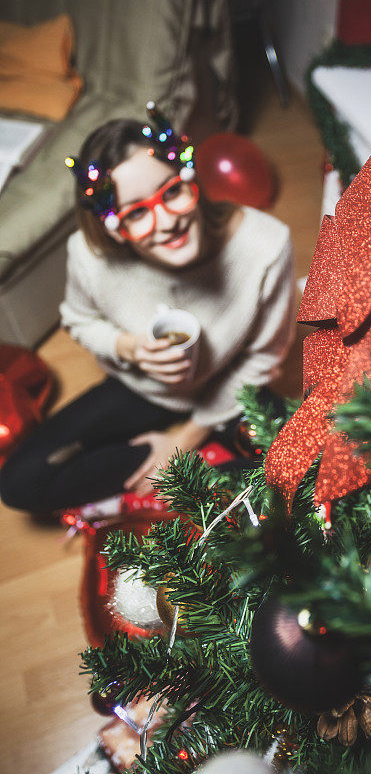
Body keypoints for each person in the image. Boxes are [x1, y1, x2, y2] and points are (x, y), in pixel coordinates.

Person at [0, 104, 295, 514]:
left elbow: (262, 355)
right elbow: (79, 318)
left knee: (305, 465)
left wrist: (187, 438)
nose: (167, 222)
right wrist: (128, 348)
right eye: (137, 212)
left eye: (171, 191)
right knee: (19, 483)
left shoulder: (266, 245)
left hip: (228, 388)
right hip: (141, 389)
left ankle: (187, 469)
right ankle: (175, 472)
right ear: (112, 226)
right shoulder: (89, 256)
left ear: (189, 179)